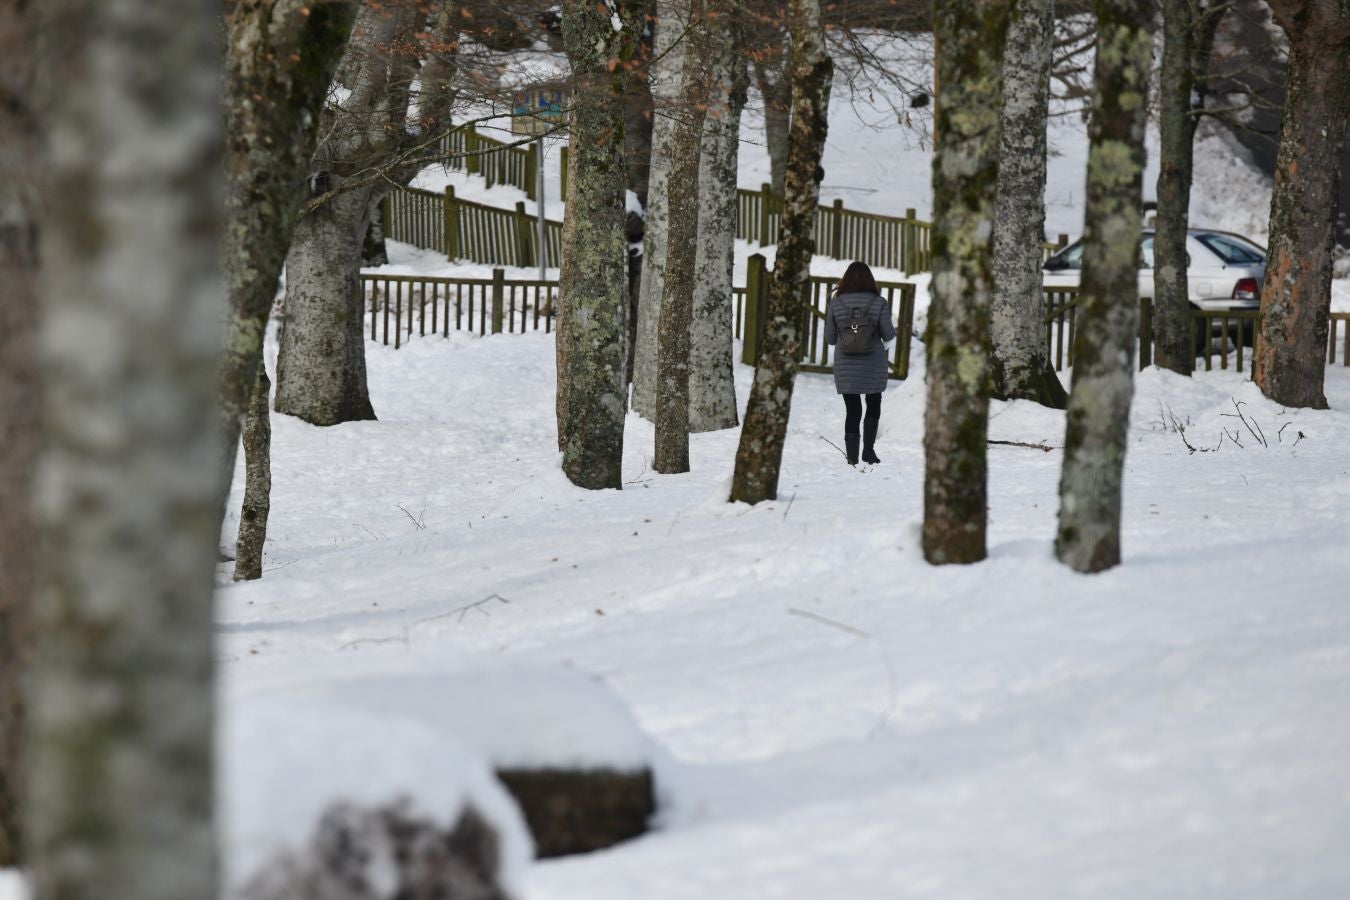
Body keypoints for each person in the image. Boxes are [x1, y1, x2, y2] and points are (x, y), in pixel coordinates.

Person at [824, 261, 896, 465]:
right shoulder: (878, 302)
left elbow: (830, 338)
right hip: (873, 363)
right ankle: (868, 451)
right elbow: (889, 334)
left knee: (852, 409)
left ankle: (852, 457)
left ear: (845, 279)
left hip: (846, 365)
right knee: (874, 402)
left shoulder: (836, 303)